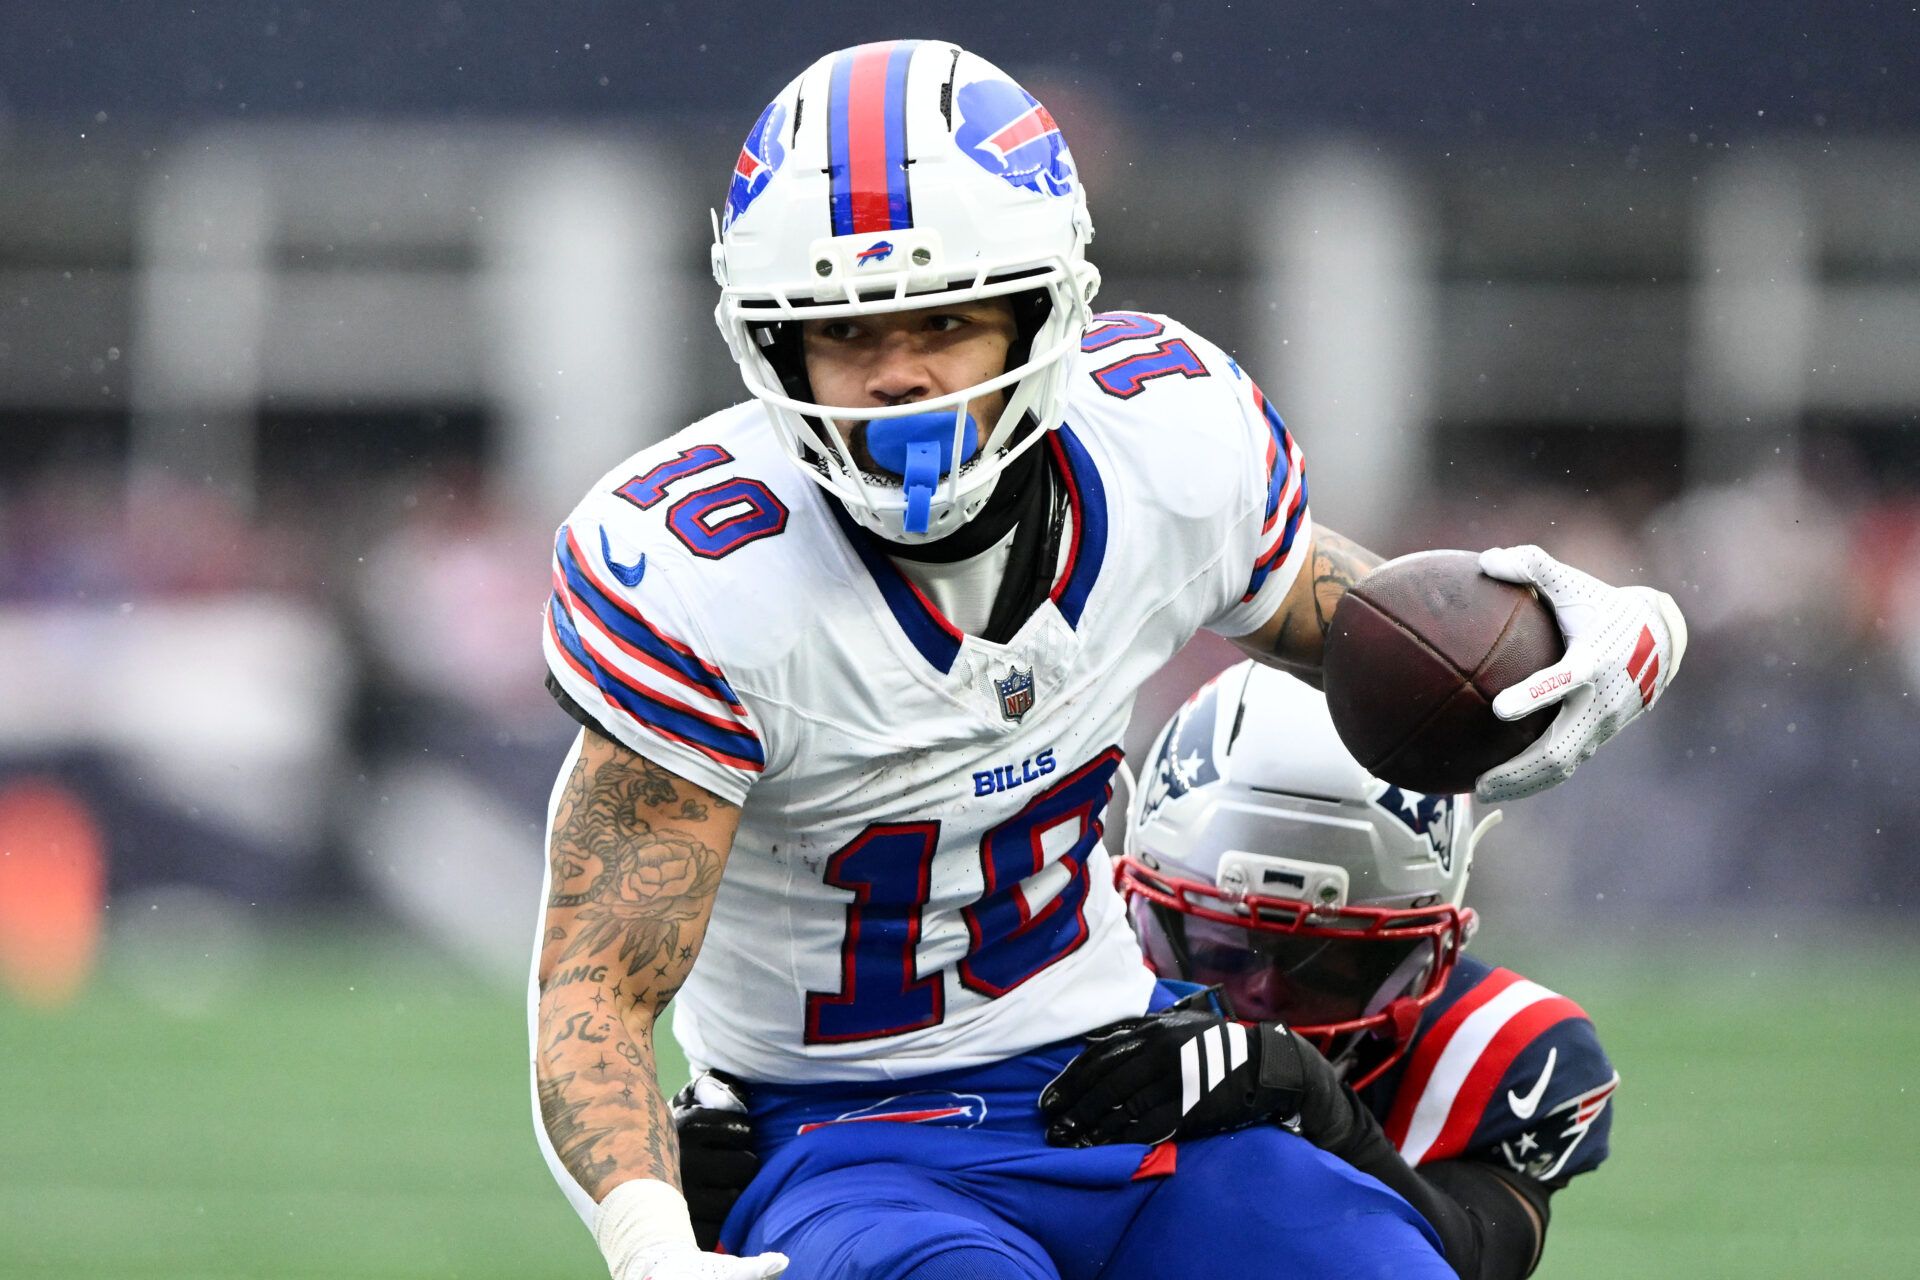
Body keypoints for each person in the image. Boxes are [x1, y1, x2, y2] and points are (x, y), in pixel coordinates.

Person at [531, 39, 1682, 1280]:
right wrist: (648, 1237)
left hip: (1119, 1082)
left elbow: (1378, 637)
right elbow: (595, 987)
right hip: (844, 1138)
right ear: (774, 344)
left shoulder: (1163, 450)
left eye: (947, 320)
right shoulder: (708, 573)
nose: (897, 375)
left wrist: (1603, 634)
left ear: (1045, 313)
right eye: (847, 330)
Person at [674, 664, 1616, 1279]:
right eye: (1215, 947)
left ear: (1432, 946)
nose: (1257, 995)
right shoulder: (1042, 964)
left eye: (1329, 964)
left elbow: (1476, 1262)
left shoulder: (1501, 1049)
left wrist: (1328, 1114)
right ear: (1125, 892)